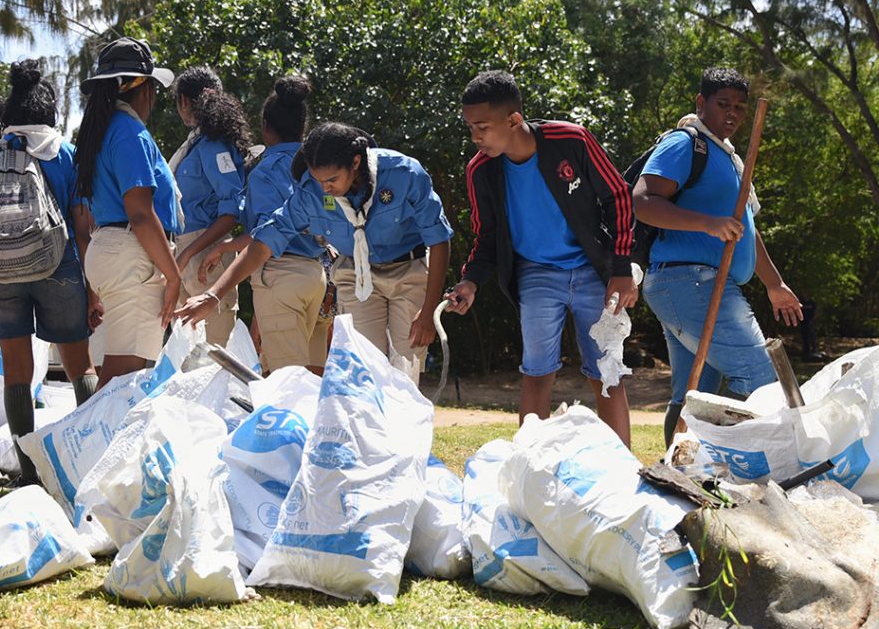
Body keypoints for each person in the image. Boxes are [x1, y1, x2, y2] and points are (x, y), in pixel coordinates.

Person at [445, 70, 638, 444]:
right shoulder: (480, 171)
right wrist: (470, 280)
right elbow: (487, 237)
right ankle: (530, 465)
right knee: (536, 372)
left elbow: (618, 196)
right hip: (535, 275)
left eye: (482, 127)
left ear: (514, 119)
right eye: (470, 127)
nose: (475, 138)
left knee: (607, 373)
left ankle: (624, 471)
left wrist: (620, 268)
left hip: (592, 270)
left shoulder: (571, 140)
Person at [178, 121, 452, 382]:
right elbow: (262, 244)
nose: (326, 189)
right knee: (365, 369)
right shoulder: (311, 191)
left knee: (405, 368)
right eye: (319, 180)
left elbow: (439, 239)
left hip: (408, 268)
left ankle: (404, 429)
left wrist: (428, 310)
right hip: (356, 275)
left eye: (332, 179)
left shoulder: (404, 173)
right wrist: (213, 295)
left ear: (355, 163)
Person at [632, 66, 802, 445]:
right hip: (689, 282)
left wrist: (775, 284)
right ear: (701, 102)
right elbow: (642, 201)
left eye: (740, 108)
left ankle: (681, 471)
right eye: (723, 104)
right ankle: (769, 467)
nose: (732, 114)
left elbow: (746, 231)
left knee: (694, 395)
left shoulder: (729, 160)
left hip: (697, 284)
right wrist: (708, 224)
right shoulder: (687, 143)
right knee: (763, 378)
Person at [0, 60, 100, 485]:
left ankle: (28, 473)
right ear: (50, 111)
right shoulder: (65, 153)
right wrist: (93, 291)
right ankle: (88, 462)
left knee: (16, 371)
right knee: (80, 366)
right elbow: (82, 226)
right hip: (60, 266)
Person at [195, 76, 331, 374]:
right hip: (315, 274)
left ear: (266, 127)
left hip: (280, 273)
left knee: (286, 381)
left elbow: (266, 233)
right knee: (306, 372)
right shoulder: (319, 167)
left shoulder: (265, 172)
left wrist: (225, 248)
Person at [74, 37, 181, 389]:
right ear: (144, 88)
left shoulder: (99, 130)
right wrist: (173, 275)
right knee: (124, 380)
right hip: (132, 252)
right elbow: (140, 213)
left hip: (110, 248)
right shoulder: (129, 132)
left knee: (122, 375)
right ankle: (93, 444)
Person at [171, 66, 249, 347]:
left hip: (205, 252)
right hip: (186, 249)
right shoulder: (193, 145)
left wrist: (188, 254)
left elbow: (231, 211)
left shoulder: (214, 145)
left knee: (214, 353)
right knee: (187, 352)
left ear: (184, 101)